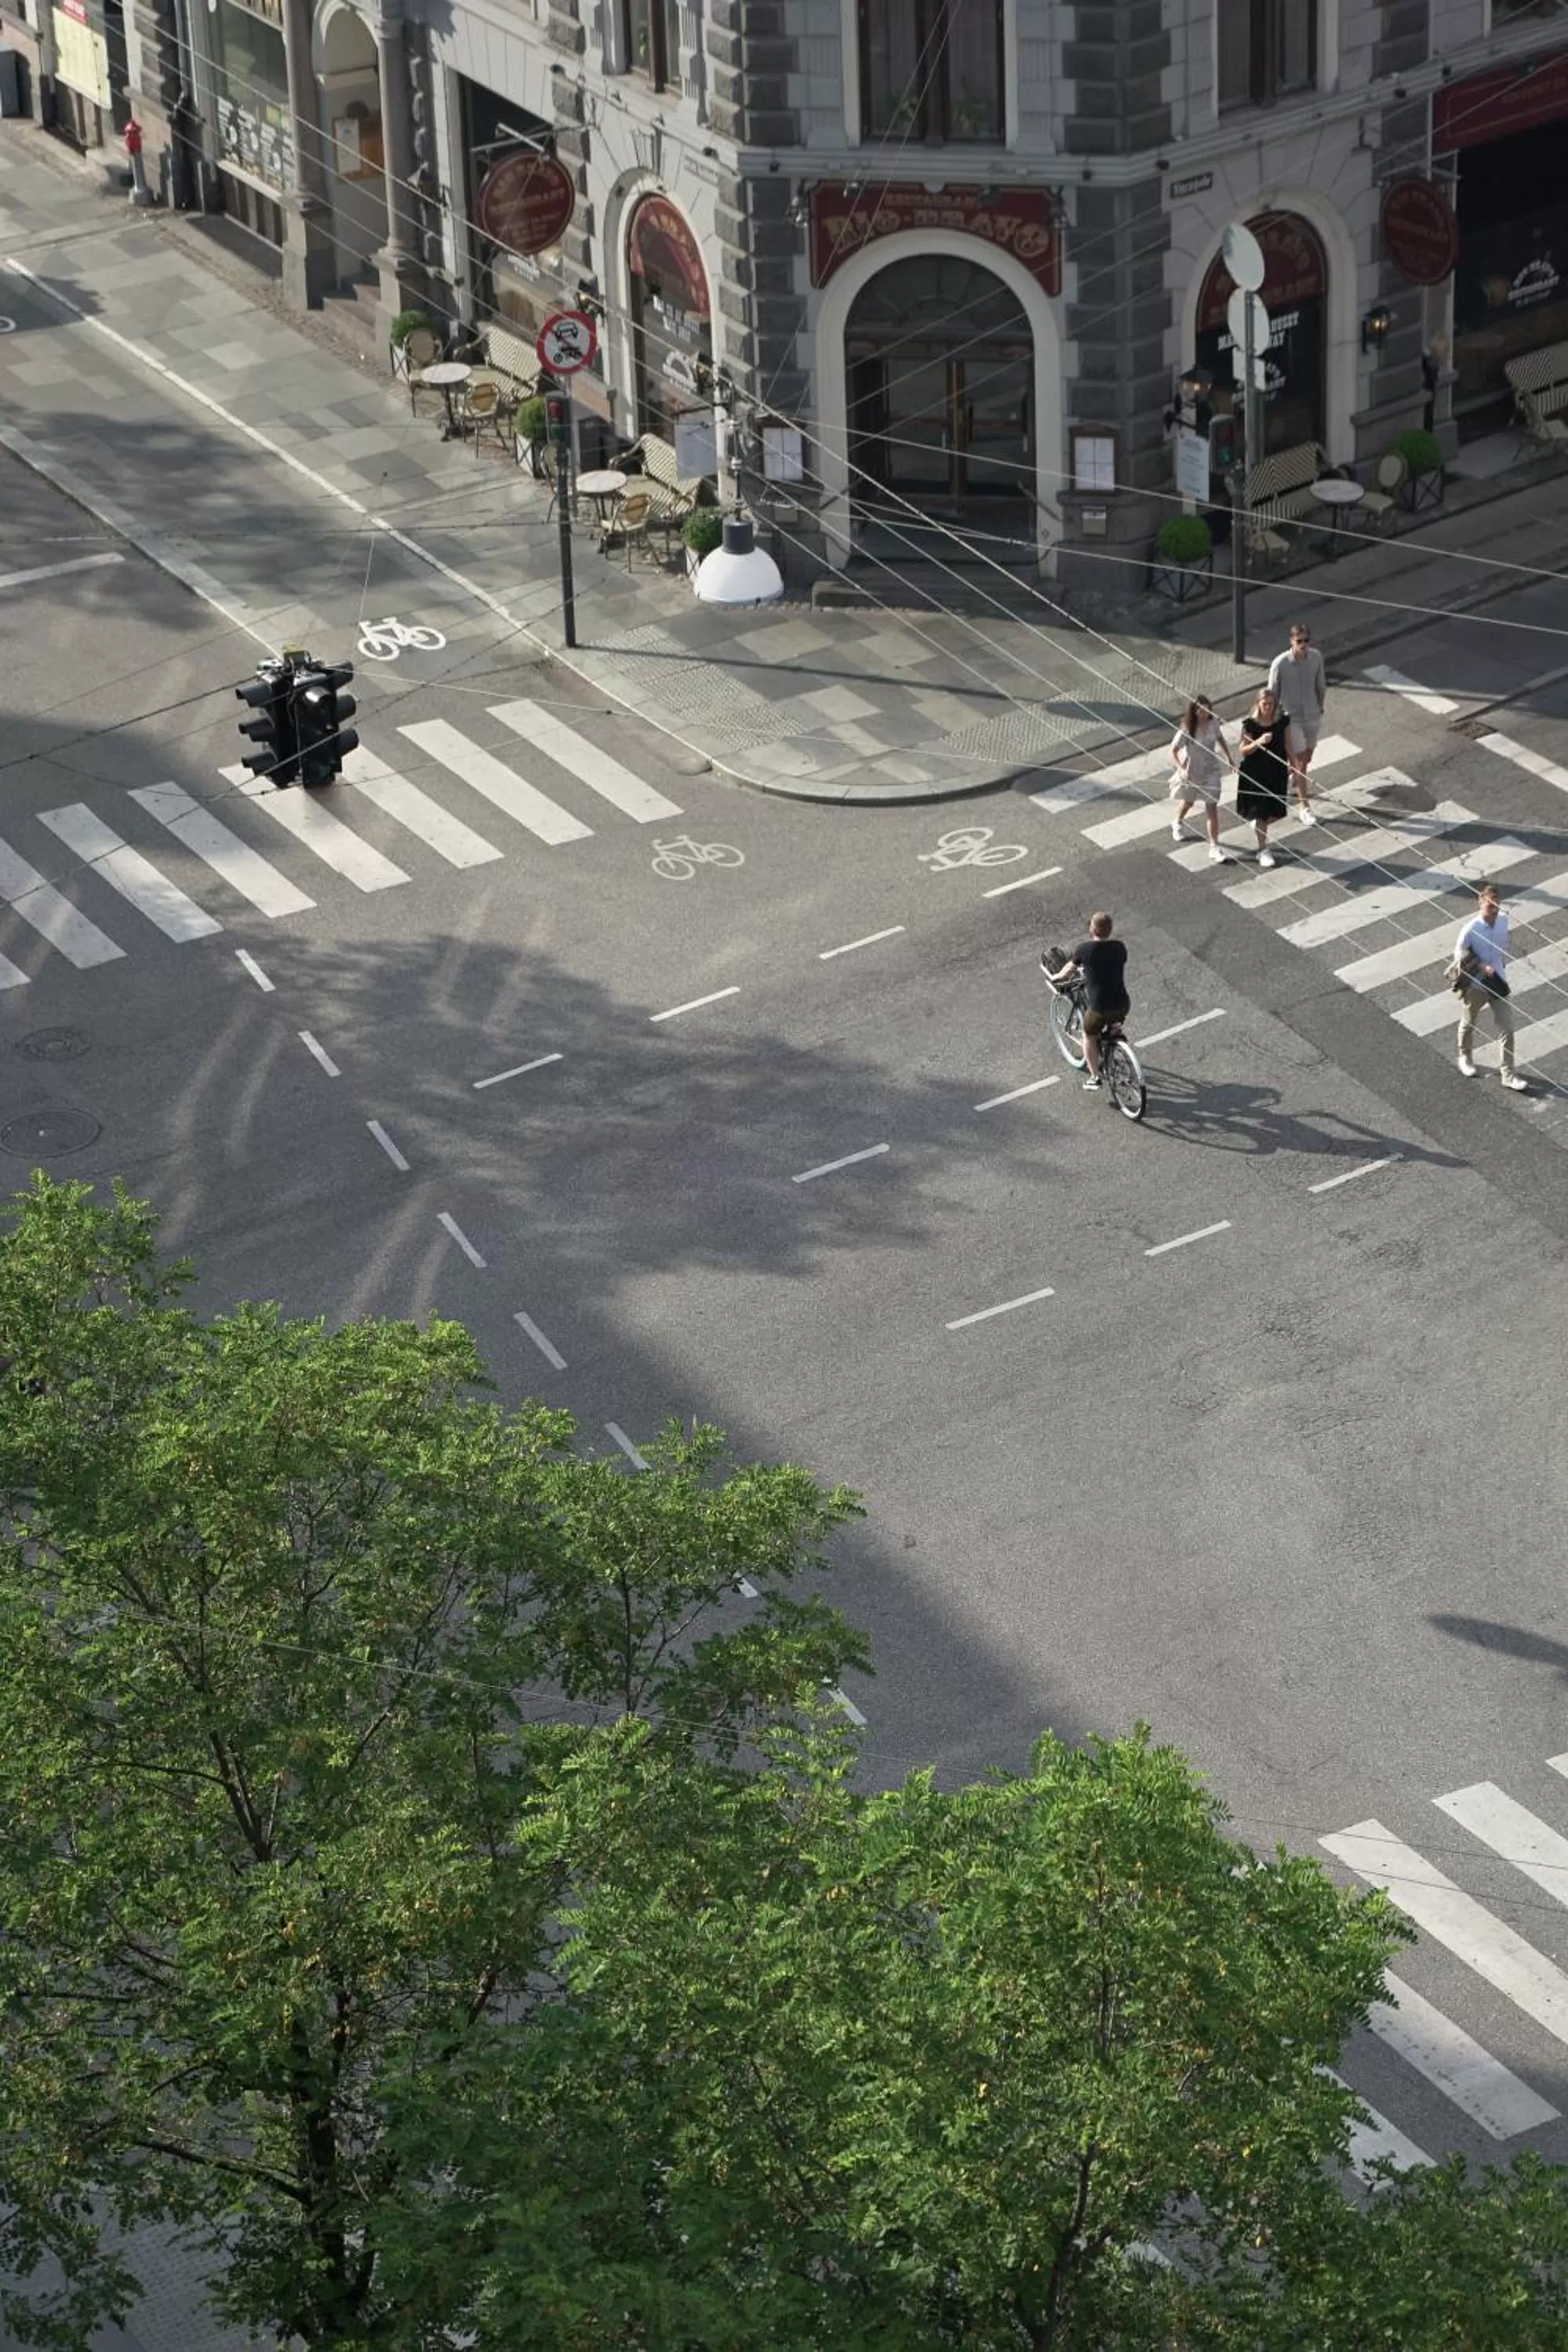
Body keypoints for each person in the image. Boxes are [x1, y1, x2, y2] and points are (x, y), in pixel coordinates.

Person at [1453, 883, 1529, 1091]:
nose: (1494, 907)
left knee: (1508, 1028)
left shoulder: (1503, 922)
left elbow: (1503, 946)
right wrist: (1479, 964)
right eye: (1490, 903)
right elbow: (1458, 955)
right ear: (1480, 901)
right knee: (1469, 1022)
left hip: (1498, 982)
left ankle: (1508, 1074)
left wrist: (1498, 965)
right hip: (1477, 984)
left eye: (1497, 903)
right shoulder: (1471, 929)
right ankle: (1465, 1057)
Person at [1050, 911, 1129, 1091]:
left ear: (1092, 929)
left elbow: (1068, 970)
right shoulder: (1120, 947)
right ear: (1110, 929)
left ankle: (1095, 1077)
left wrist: (1056, 977)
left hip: (1100, 1009)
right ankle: (1115, 1030)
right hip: (1123, 1004)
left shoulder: (1084, 949)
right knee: (1114, 1015)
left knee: (1088, 1034)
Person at [1266, 622, 1327, 822]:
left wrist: (1320, 707)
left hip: (1312, 715)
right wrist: (1274, 721)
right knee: (1301, 763)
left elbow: (1321, 685)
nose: (1303, 645)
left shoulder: (1316, 657)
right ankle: (1305, 807)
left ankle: (1291, 779)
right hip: (1291, 719)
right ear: (1291, 641)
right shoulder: (1280, 663)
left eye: (1306, 641)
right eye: (1299, 641)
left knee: (1307, 757)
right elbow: (1272, 694)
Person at [1169, 693, 1234, 863]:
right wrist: (1181, 769)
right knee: (1188, 802)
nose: (1205, 713)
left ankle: (1214, 847)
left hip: (1211, 769)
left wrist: (1229, 758)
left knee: (1211, 807)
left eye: (1207, 709)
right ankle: (1177, 821)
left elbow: (1220, 738)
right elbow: (1172, 751)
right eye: (1201, 710)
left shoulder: (1213, 723)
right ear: (1195, 711)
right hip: (1192, 770)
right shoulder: (1187, 729)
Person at [1235, 688, 1290, 868]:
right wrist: (1259, 742)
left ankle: (1259, 826)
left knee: (1276, 812)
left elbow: (1288, 744)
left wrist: (1294, 766)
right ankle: (1263, 849)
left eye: (1271, 704)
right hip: (1256, 773)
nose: (1268, 707)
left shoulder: (1281, 722)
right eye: (1264, 704)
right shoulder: (1251, 725)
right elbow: (1243, 750)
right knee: (1261, 812)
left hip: (1277, 771)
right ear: (1258, 704)